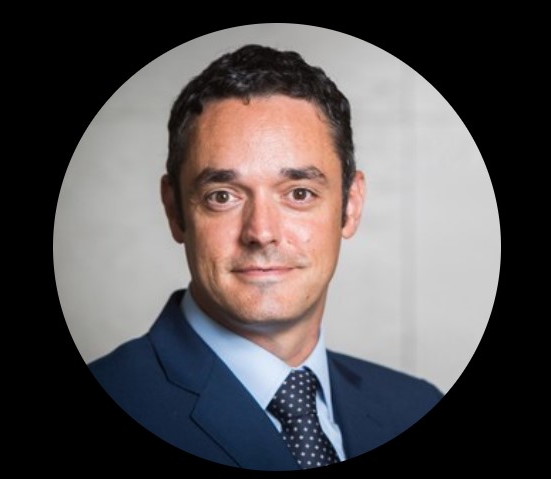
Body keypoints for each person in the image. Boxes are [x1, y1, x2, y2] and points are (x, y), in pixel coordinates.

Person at [88, 44, 443, 471]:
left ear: (350, 206)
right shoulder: (118, 394)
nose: (261, 232)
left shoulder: (416, 407)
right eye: (223, 196)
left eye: (299, 193)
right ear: (175, 210)